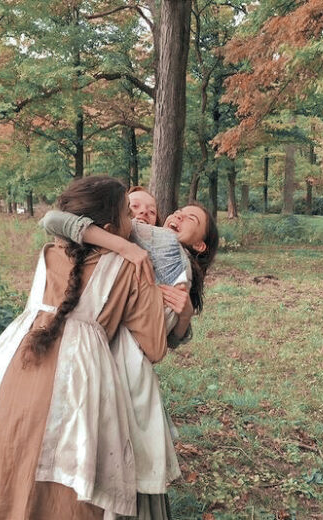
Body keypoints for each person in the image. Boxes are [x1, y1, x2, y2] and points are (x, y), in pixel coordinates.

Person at [0, 176, 169, 520]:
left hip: (15, 365)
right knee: (68, 470)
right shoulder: (132, 267)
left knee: (8, 454)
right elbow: (154, 347)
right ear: (108, 225)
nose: (134, 220)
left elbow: (55, 221)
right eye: (127, 212)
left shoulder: (49, 252)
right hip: (79, 380)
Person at [41, 194, 219, 520]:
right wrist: (124, 245)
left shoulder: (175, 264)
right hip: (89, 355)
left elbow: (167, 341)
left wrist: (184, 316)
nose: (175, 216)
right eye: (133, 208)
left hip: (128, 369)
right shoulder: (130, 241)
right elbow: (53, 220)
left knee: (124, 458)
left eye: (190, 219)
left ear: (201, 245)